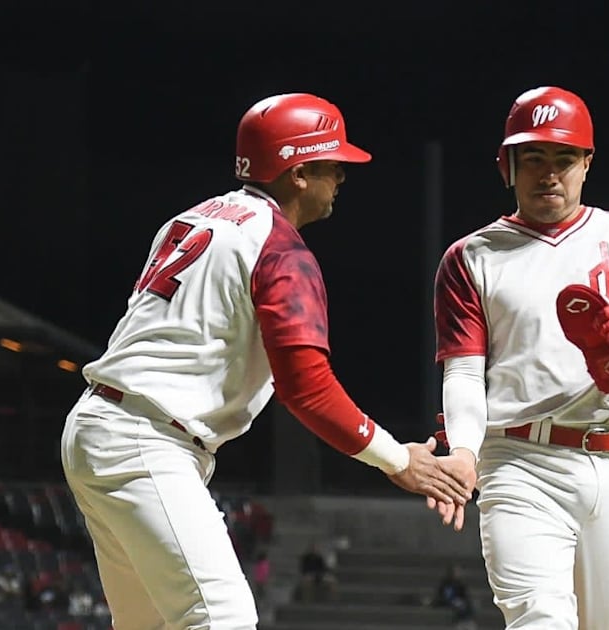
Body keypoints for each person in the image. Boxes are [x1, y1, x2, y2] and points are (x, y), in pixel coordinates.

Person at [60, 92, 474, 629]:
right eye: (332, 165)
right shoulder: (278, 248)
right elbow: (307, 389)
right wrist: (399, 461)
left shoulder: (192, 218)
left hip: (101, 427)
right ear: (298, 172)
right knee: (223, 619)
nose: (341, 177)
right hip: (146, 439)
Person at [431, 85, 609, 630]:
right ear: (506, 165)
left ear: (587, 164)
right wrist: (465, 453)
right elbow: (464, 372)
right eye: (533, 158)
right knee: (539, 618)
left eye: (564, 159)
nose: (549, 173)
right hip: (520, 462)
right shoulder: (470, 257)